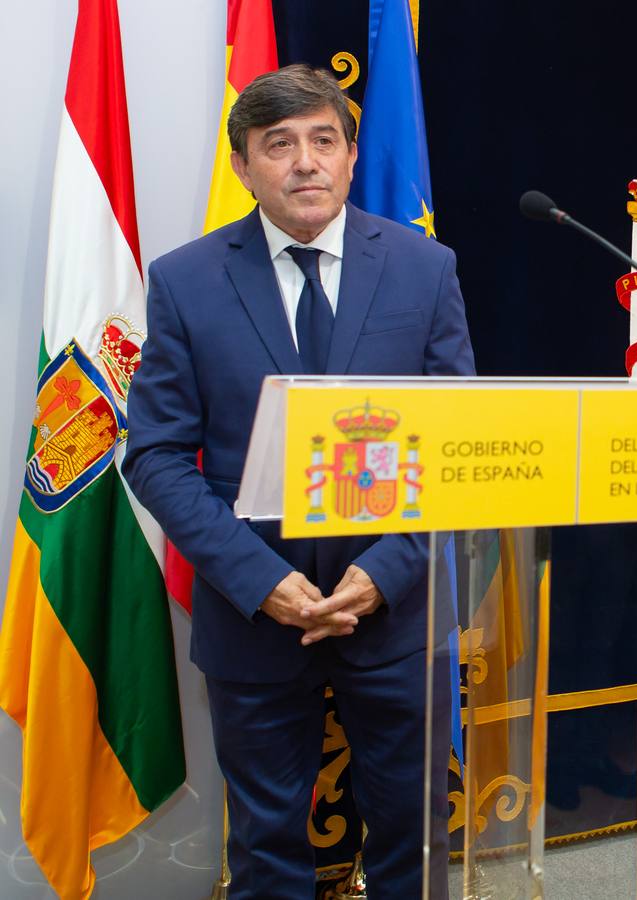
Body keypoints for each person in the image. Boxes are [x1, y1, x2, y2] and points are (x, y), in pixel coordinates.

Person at [123, 65, 474, 898]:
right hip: (255, 617)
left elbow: (461, 448)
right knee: (268, 851)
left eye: (324, 140)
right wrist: (262, 580)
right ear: (244, 167)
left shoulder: (426, 270)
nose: (305, 162)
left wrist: (383, 572)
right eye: (278, 145)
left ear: (353, 157)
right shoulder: (186, 279)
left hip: (396, 613)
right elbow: (157, 455)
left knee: (412, 845)